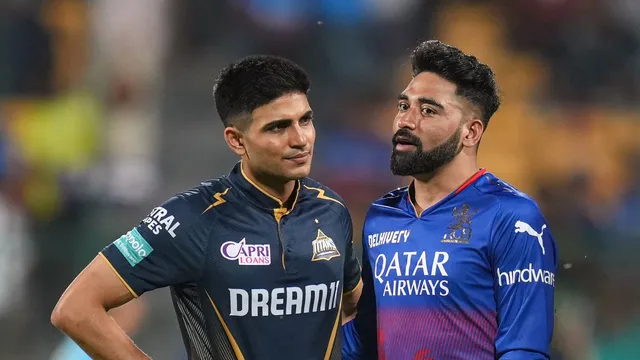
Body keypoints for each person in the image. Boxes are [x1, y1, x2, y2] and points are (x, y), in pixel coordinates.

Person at [51, 55, 362, 360]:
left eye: (305, 120)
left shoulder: (331, 210)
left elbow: (356, 309)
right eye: (278, 127)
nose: (300, 139)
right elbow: (76, 309)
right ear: (237, 140)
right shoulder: (190, 218)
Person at [342, 40, 558, 360]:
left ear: (470, 132)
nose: (405, 121)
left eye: (428, 110)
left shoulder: (511, 216)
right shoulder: (381, 216)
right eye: (404, 106)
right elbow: (364, 341)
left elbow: (524, 348)